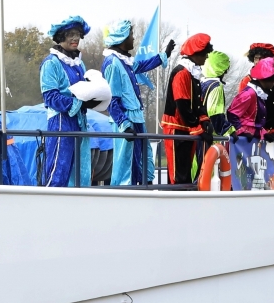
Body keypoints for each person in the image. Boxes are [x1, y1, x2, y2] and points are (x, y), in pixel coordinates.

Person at [102, 21, 173, 186]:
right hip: (125, 121)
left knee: (142, 158)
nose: (133, 38)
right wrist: (124, 124)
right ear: (122, 38)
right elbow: (111, 99)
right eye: (131, 35)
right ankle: (123, 194)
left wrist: (163, 56)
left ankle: (142, 190)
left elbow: (142, 65)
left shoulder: (124, 61)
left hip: (136, 118)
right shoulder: (112, 63)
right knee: (125, 163)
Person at [41, 17, 101, 188]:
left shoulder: (79, 64)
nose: (75, 38)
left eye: (78, 35)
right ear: (61, 36)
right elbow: (50, 97)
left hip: (79, 122)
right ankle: (51, 201)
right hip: (61, 122)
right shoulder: (51, 63)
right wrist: (79, 103)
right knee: (59, 170)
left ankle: (78, 203)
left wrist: (93, 98)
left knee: (80, 171)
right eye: (70, 35)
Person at [162, 33, 212, 185]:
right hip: (176, 127)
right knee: (178, 174)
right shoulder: (181, 72)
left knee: (186, 170)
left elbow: (197, 102)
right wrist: (197, 128)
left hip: (186, 128)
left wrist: (204, 119)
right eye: (205, 54)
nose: (206, 57)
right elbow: (182, 104)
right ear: (196, 54)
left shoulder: (192, 73)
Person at [238, 43, 274, 142]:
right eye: (256, 58)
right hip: (254, 136)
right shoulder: (246, 81)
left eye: (262, 58)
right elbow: (241, 112)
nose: (258, 61)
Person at [228, 57, 274, 139]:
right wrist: (241, 131)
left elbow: (255, 124)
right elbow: (232, 114)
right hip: (243, 140)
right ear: (266, 79)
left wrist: (265, 134)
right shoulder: (249, 93)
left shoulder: (259, 94)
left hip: (252, 138)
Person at [200, 51, 234, 139]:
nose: (226, 72)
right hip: (211, 136)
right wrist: (229, 130)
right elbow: (215, 114)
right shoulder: (216, 87)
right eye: (225, 69)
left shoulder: (201, 83)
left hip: (199, 133)